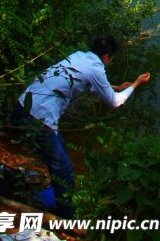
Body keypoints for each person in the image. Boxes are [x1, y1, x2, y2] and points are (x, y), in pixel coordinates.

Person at [14, 35, 150, 216]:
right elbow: (116, 103)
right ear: (106, 57)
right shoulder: (96, 69)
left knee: (61, 150)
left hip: (23, 106)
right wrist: (135, 84)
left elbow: (82, 79)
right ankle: (66, 215)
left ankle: (62, 197)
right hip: (37, 119)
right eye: (112, 59)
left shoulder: (78, 56)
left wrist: (113, 87)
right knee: (63, 167)